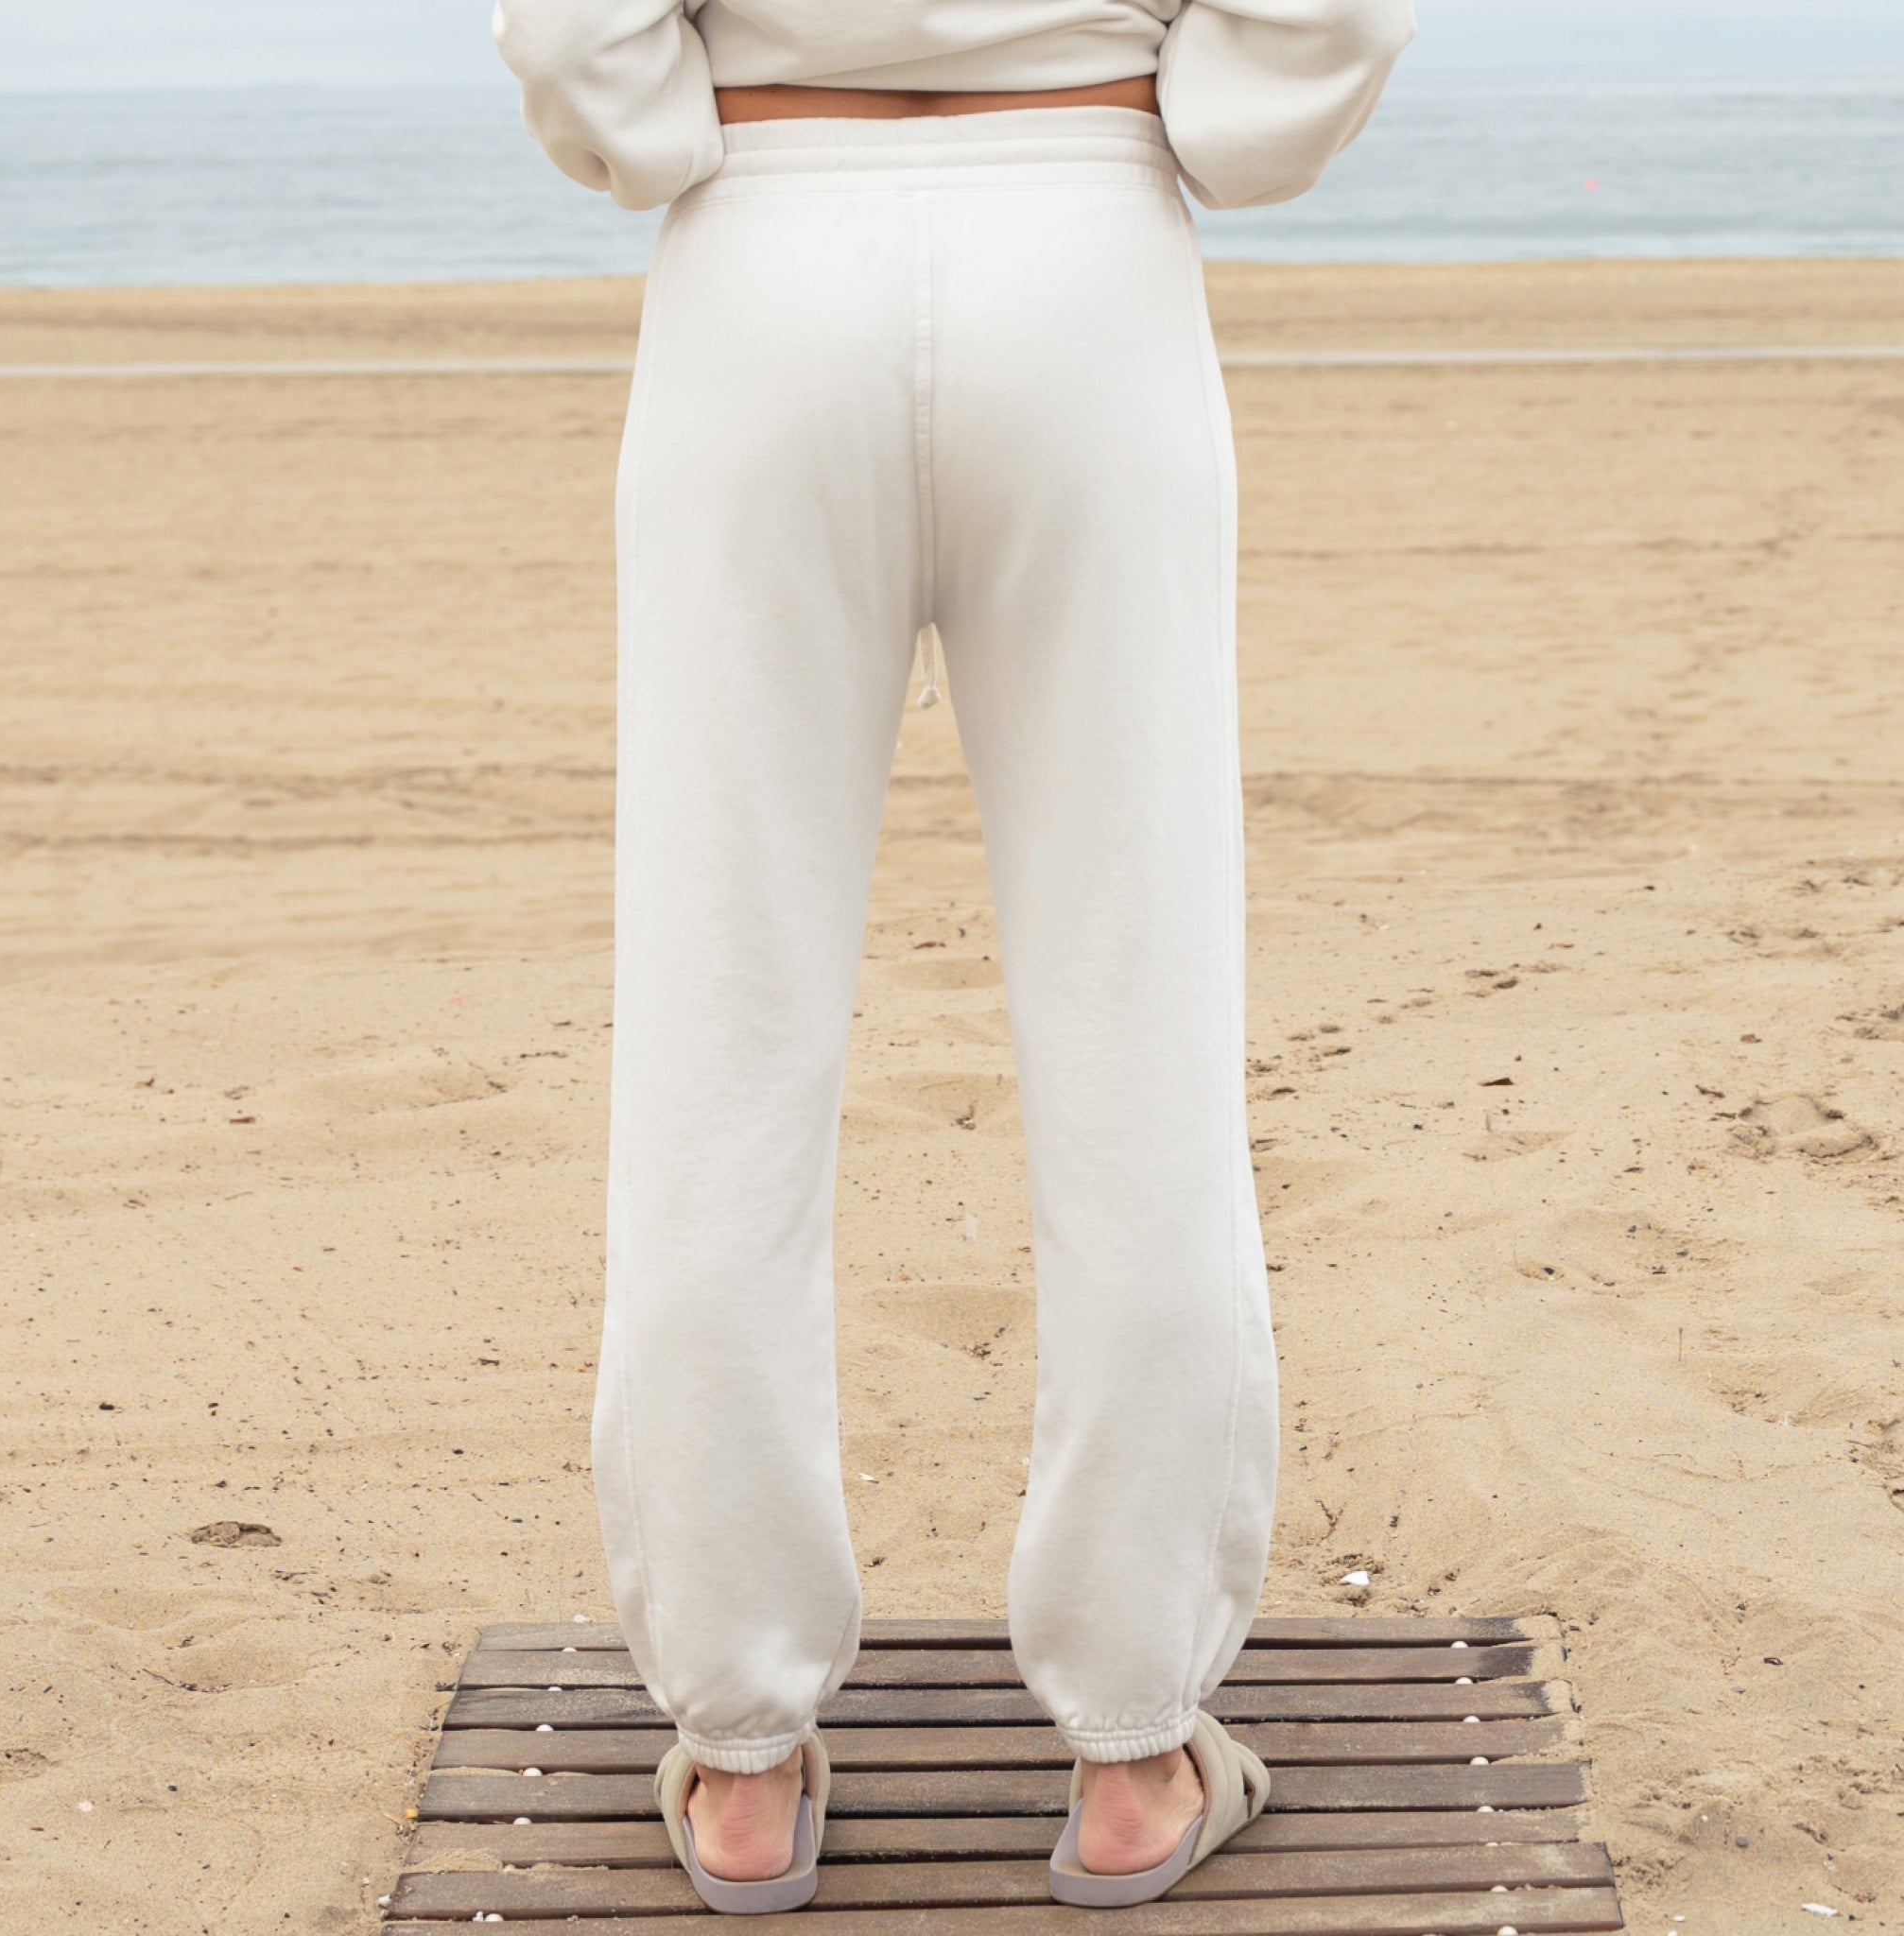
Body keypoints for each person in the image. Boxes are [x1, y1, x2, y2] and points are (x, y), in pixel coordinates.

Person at [493, 0, 1414, 1911]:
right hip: (1085, 253)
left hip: (764, 243)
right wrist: (1216, 112)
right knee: (1139, 1015)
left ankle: (742, 1755)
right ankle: (1137, 1746)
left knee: (722, 1027)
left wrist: (652, 124)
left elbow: (581, 31)